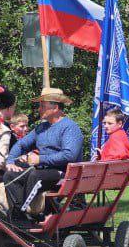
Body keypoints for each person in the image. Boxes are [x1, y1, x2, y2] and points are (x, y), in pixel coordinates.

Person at [5, 87, 84, 215]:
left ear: (55, 108)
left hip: (64, 175)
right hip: (43, 172)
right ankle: (17, 216)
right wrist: (10, 161)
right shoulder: (41, 127)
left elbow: (70, 155)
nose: (39, 109)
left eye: (43, 106)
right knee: (10, 175)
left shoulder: (70, 127)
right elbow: (21, 144)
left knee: (35, 176)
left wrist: (40, 159)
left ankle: (25, 213)